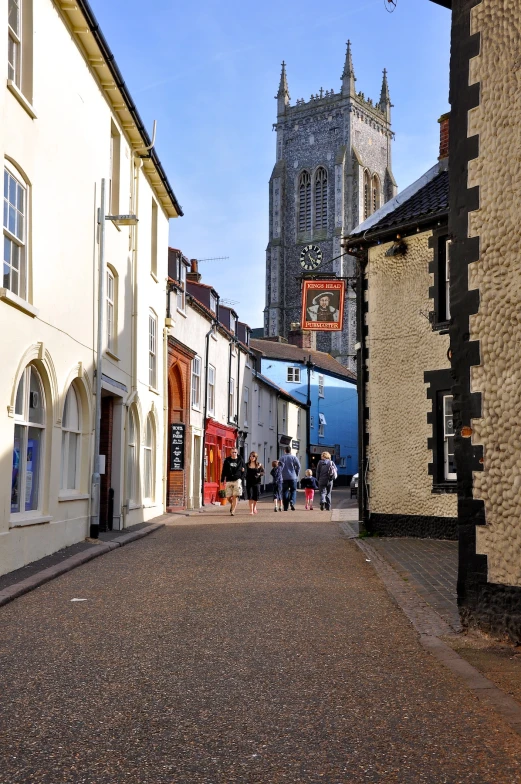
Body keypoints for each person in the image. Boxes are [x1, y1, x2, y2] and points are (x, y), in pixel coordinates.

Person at [220, 447, 245, 516]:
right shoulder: (227, 460)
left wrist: (241, 478)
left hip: (237, 480)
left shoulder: (240, 460)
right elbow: (224, 470)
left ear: (237, 453)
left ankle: (233, 511)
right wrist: (222, 479)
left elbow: (244, 470)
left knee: (235, 496)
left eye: (235, 452)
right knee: (228, 496)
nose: (234, 453)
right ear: (230, 453)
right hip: (229, 479)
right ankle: (232, 504)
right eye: (232, 452)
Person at [279, 446, 301, 511]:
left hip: (284, 477)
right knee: (293, 490)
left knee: (285, 491)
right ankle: (292, 501)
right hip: (293, 477)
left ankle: (285, 507)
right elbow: (299, 466)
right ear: (290, 451)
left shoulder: (281, 458)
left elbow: (279, 468)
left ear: (285, 451)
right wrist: (296, 473)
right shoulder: (294, 457)